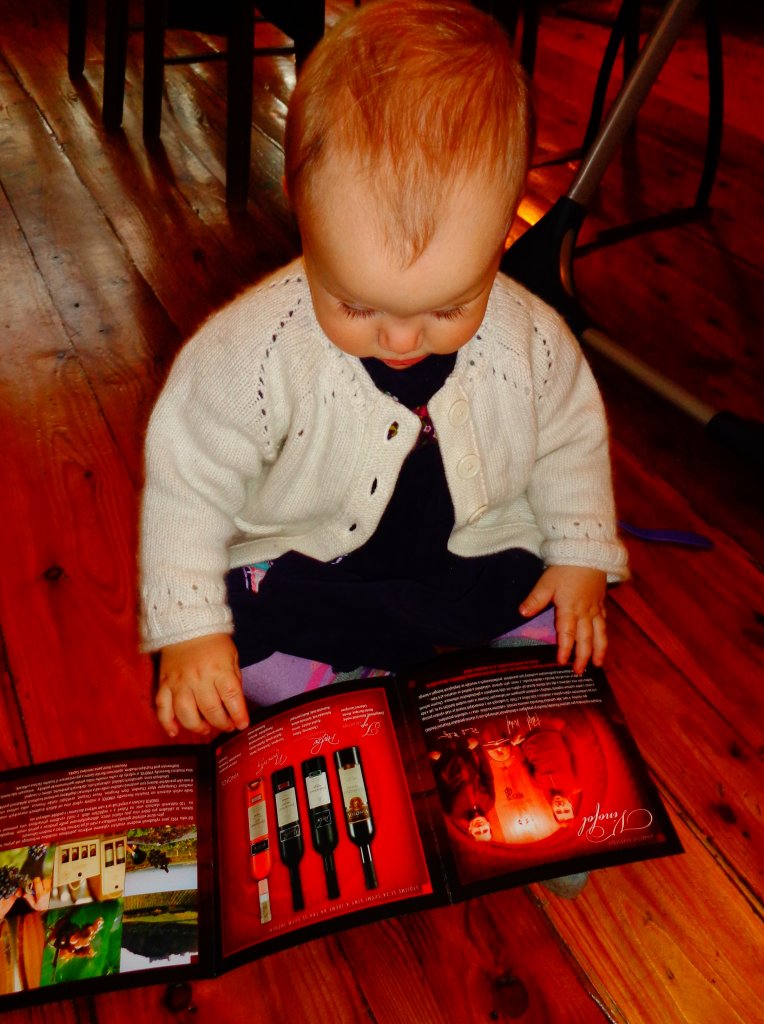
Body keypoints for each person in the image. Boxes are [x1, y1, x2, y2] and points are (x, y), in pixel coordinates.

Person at [139, 0, 629, 739]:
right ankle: (344, 677)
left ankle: (488, 649)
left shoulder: (531, 338)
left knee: (557, 596)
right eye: (356, 304)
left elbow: (570, 439)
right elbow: (188, 482)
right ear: (302, 212)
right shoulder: (251, 353)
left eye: (450, 306)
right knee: (240, 641)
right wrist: (190, 630)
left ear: (504, 233)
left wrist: (581, 552)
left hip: (467, 547)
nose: (401, 338)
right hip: (320, 561)